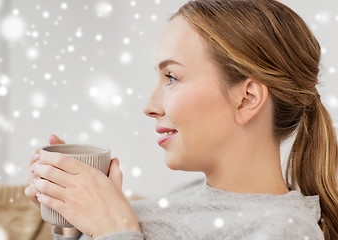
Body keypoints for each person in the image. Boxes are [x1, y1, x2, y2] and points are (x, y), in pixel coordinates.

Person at [25, 0, 338, 239]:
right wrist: (76, 220)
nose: (150, 106)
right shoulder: (189, 197)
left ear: (247, 99)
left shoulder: (282, 230)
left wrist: (114, 228)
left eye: (172, 77)